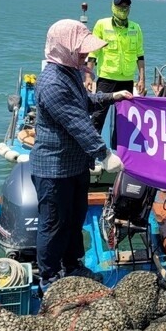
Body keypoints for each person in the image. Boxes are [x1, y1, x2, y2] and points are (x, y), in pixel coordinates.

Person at [30, 19, 133, 291]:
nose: (86, 55)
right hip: (53, 168)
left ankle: (73, 265)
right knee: (54, 224)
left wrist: (113, 97)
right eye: (81, 50)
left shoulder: (72, 72)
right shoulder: (52, 82)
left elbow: (85, 101)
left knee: (75, 218)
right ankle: (49, 278)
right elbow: (77, 122)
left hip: (76, 166)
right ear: (64, 48)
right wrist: (104, 153)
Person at [85, 0, 145, 147]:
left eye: (126, 7)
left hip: (126, 79)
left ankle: (118, 150)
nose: (123, 9)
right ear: (113, 7)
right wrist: (88, 76)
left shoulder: (135, 27)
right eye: (120, 6)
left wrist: (142, 78)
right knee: (98, 114)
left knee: (123, 117)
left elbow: (140, 55)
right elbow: (93, 53)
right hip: (106, 78)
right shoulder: (102, 25)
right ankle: (90, 149)